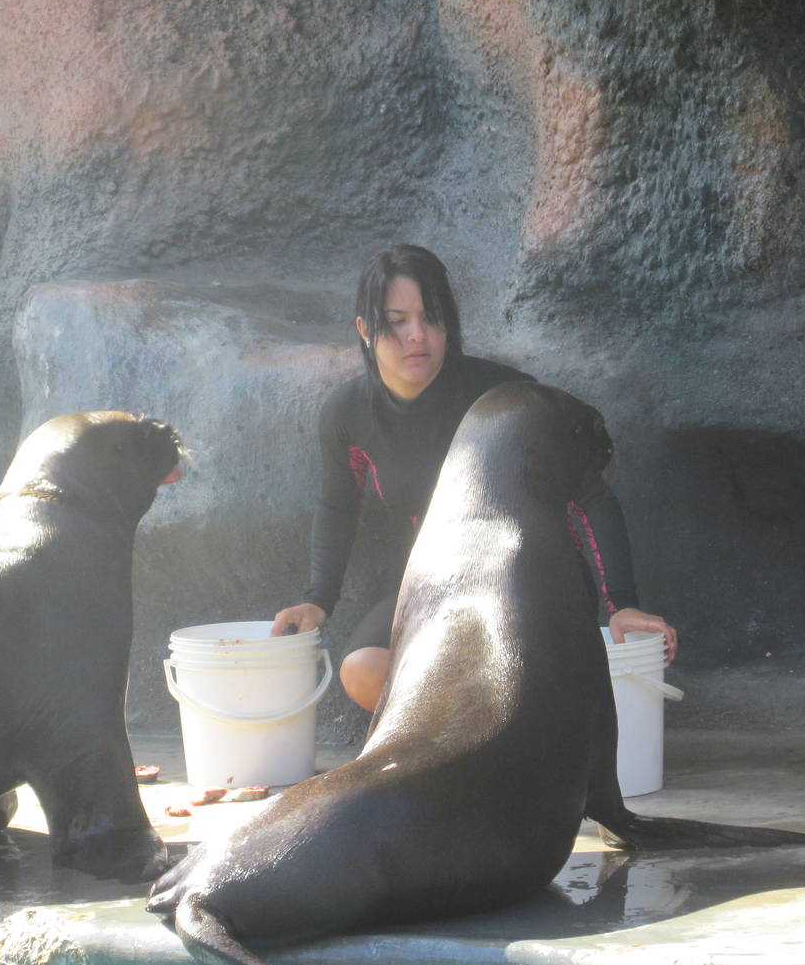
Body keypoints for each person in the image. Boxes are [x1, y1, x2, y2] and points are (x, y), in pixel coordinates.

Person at [271, 245, 677, 712]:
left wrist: (621, 603)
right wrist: (317, 600)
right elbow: (339, 506)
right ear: (365, 329)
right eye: (397, 320)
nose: (417, 336)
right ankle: (470, 744)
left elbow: (589, 496)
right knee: (364, 671)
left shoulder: (506, 397)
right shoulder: (347, 414)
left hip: (534, 582)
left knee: (510, 679)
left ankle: (489, 740)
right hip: (437, 586)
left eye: (431, 317)